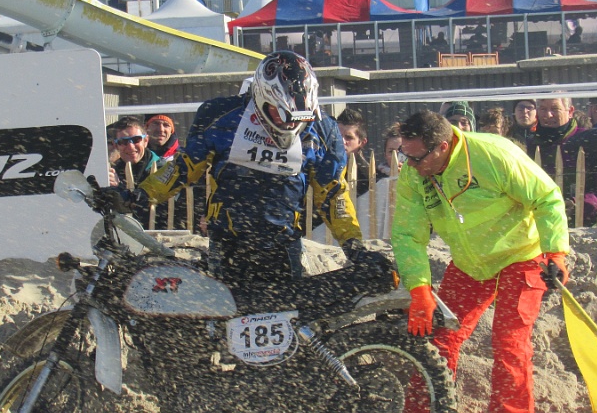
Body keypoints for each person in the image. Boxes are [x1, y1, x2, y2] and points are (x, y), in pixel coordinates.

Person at [104, 51, 386, 293]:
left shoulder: (323, 131)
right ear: (262, 98)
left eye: (298, 117)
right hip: (228, 243)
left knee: (287, 328)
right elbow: (184, 169)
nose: (289, 124)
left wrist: (352, 243)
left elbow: (332, 194)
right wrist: (139, 196)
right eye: (281, 115)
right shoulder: (220, 116)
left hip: (282, 244)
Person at [391, 110, 570, 413]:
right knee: (436, 339)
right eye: (403, 156)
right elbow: (408, 235)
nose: (408, 164)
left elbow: (548, 198)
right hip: (471, 262)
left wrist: (556, 252)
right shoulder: (415, 172)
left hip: (522, 257)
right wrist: (420, 289)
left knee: (509, 346)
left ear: (442, 147)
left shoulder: (494, 154)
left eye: (415, 156)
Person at [336, 108, 374, 196]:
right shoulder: (323, 168)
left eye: (348, 137)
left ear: (362, 142)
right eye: (338, 135)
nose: (341, 141)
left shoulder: (368, 176)